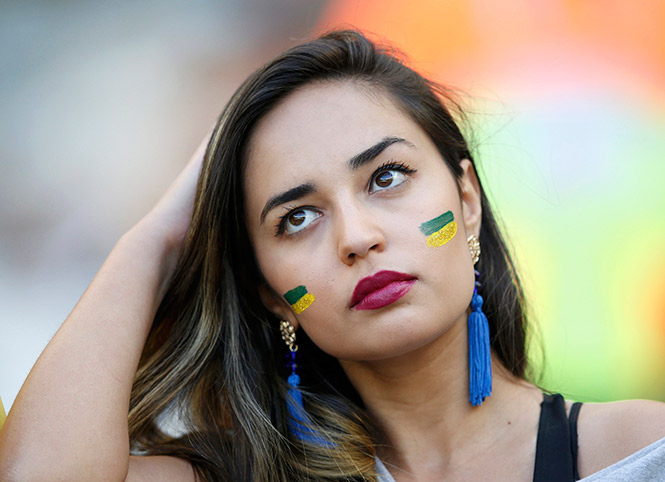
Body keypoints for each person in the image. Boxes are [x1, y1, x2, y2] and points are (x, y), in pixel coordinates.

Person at [1, 29, 665, 482]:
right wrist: (159, 236)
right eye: (297, 218)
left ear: (466, 198)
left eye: (384, 178)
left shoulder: (635, 452)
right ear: (266, 289)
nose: (356, 236)